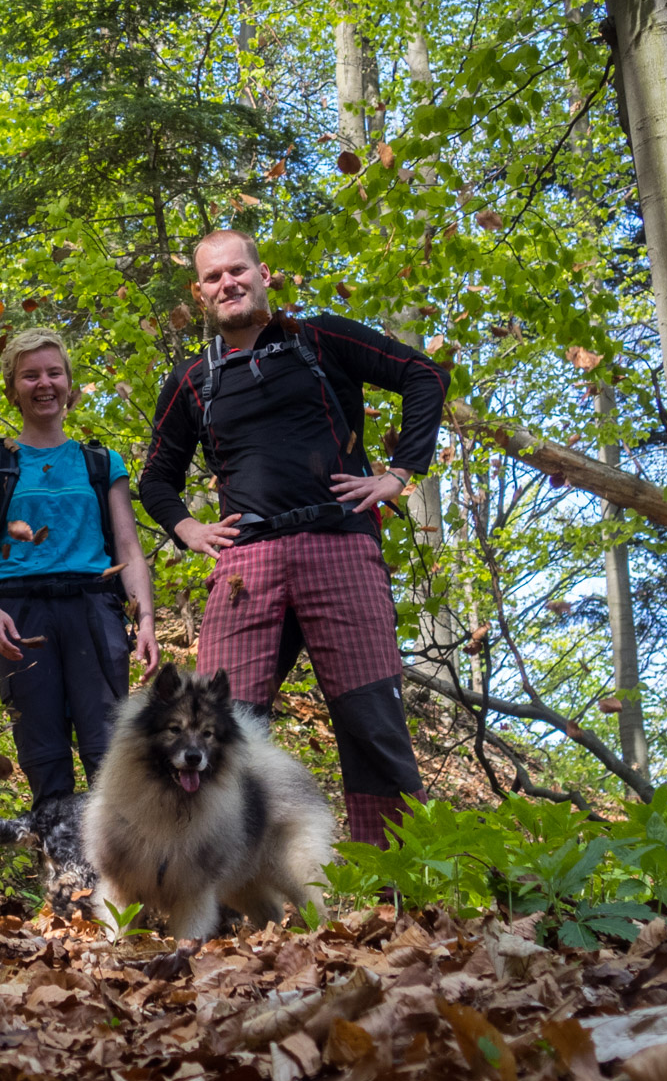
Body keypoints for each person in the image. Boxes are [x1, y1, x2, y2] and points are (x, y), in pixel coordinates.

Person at [138, 229, 450, 848]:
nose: (228, 283)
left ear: (263, 273)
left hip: (339, 548)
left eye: (238, 271)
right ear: (199, 294)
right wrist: (188, 527)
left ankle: (404, 893)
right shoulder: (191, 380)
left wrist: (399, 474)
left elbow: (422, 376)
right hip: (245, 565)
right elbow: (156, 479)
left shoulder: (320, 337)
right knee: (216, 729)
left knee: (372, 722)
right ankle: (224, 899)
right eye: (212, 278)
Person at [0, 328, 161, 820]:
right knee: (42, 748)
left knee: (106, 745)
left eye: (54, 372)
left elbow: (129, 548)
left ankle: (114, 880)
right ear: (13, 389)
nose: (43, 383)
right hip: (20, 613)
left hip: (94, 609)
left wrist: (147, 618)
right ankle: (63, 877)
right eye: (30, 375)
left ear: (70, 385)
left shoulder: (100, 462)